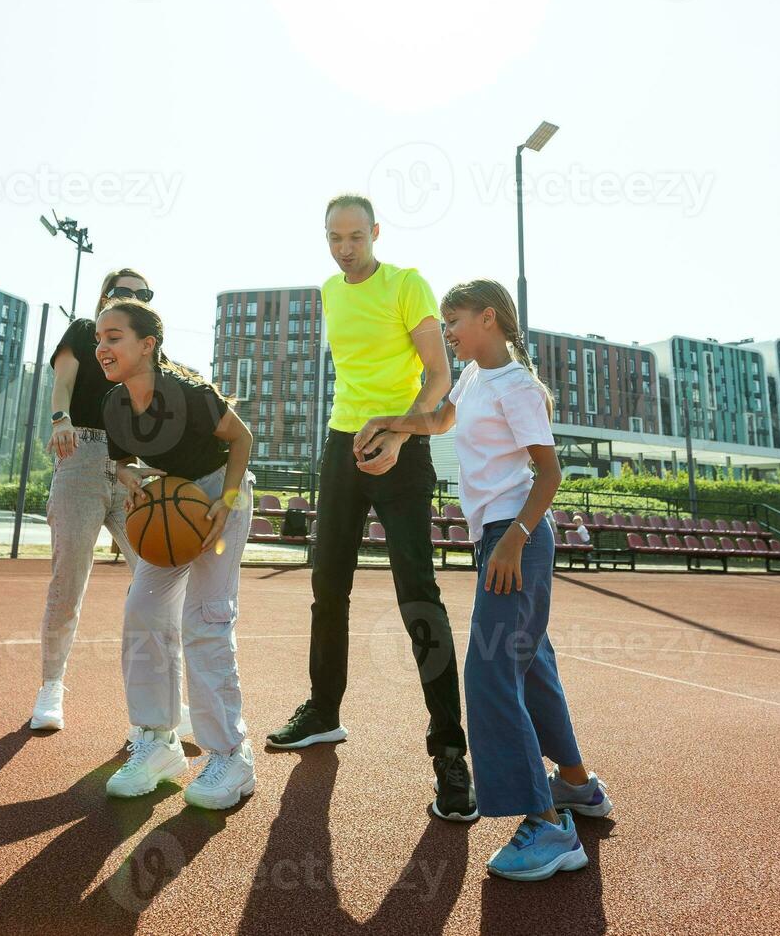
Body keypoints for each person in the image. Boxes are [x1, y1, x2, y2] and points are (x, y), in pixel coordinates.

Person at [356, 279, 613, 881]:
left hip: (514, 537)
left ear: (489, 319)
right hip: (496, 539)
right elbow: (443, 418)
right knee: (530, 663)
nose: (447, 330)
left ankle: (549, 826)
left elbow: (548, 474)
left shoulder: (517, 385)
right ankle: (578, 787)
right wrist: (392, 422)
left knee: (489, 669)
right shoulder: (474, 376)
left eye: (455, 320)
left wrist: (515, 543)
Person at [266, 194, 475, 822]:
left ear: (376, 233)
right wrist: (360, 435)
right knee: (327, 586)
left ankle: (449, 755)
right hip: (341, 443)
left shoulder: (408, 285)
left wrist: (402, 431)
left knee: (418, 593)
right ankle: (323, 711)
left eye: (356, 236)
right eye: (335, 237)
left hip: (401, 445)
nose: (345, 248)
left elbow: (438, 375)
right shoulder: (330, 291)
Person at [98, 299, 258, 809]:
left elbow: (242, 439)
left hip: (217, 495)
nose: (102, 347)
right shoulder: (115, 405)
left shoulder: (188, 393)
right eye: (99, 339)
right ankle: (157, 741)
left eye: (114, 337)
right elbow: (121, 461)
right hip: (173, 504)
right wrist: (128, 476)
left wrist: (226, 504)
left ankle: (231, 755)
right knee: (141, 609)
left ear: (147, 345)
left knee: (205, 620)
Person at [29, 269, 193, 739]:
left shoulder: (150, 350)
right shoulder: (84, 332)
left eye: (144, 294)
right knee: (68, 581)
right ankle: (51, 688)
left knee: (157, 584)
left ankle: (162, 705)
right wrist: (60, 419)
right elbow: (62, 384)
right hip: (79, 455)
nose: (134, 298)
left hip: (130, 467)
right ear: (105, 295)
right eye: (125, 291)